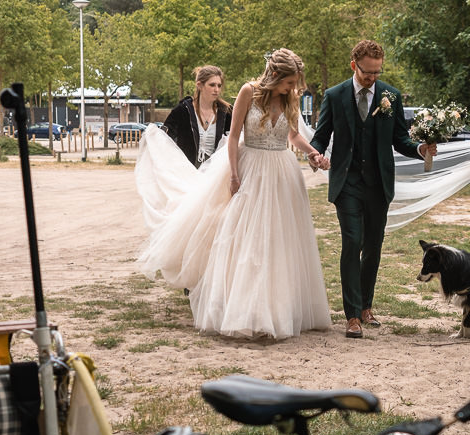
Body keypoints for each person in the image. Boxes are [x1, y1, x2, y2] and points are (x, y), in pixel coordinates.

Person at [134, 48, 331, 339]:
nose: (294, 88)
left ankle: (278, 309)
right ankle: (245, 309)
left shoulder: (290, 97)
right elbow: (235, 135)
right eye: (290, 82)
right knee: (248, 240)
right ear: (275, 75)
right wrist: (235, 174)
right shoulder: (248, 92)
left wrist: (313, 153)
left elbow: (292, 135)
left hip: (282, 172)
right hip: (250, 167)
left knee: (280, 241)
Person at [310, 40, 434, 338]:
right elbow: (320, 135)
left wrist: (420, 148)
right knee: (353, 243)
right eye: (368, 73)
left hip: (379, 184)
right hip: (347, 183)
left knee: (374, 247)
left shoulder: (390, 95)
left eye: (378, 72)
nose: (373, 78)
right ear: (354, 65)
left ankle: (367, 306)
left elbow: (401, 140)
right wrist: (314, 154)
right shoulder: (334, 95)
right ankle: (352, 315)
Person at [162, 65, 232, 167]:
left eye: (219, 85)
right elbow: (164, 137)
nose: (216, 89)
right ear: (199, 85)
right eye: (212, 85)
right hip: (187, 171)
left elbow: (235, 141)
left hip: (215, 173)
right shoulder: (183, 110)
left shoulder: (226, 112)